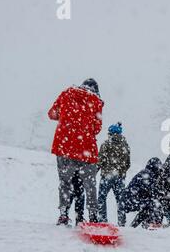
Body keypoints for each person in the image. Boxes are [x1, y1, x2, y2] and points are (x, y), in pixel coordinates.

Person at [48, 78, 104, 225]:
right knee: (89, 184)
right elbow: (96, 129)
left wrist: (68, 118)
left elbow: (52, 114)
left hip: (64, 146)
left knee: (65, 182)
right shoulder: (96, 101)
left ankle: (63, 214)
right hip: (86, 148)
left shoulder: (66, 94)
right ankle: (93, 216)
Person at [97, 122, 131, 225]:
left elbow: (100, 161)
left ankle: (102, 220)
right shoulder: (125, 146)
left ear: (111, 133)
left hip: (107, 176)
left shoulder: (106, 144)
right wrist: (121, 171)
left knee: (102, 198)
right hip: (119, 177)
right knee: (120, 199)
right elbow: (128, 163)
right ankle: (121, 222)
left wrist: (95, 172)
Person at [119, 158, 163, 228]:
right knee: (154, 204)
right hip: (130, 201)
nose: (159, 171)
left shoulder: (147, 173)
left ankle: (134, 227)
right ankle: (153, 225)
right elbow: (152, 192)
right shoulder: (148, 175)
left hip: (127, 201)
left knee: (147, 206)